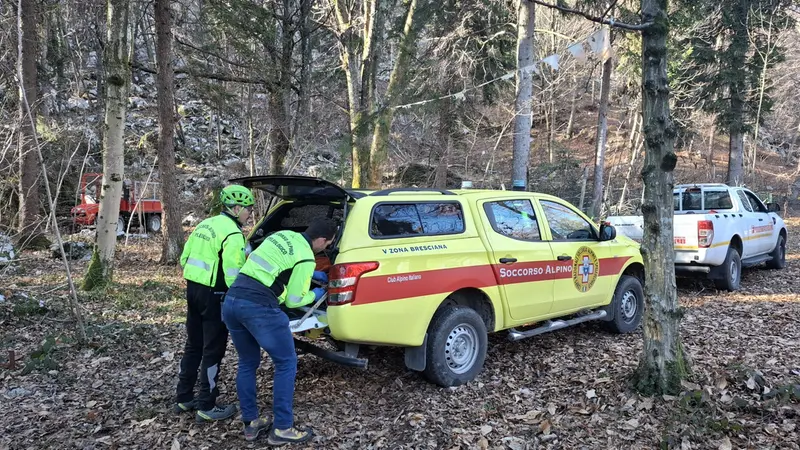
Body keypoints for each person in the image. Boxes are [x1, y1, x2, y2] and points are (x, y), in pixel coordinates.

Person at [222, 218, 338, 444]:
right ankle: (283, 428)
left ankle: (251, 423)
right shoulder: (306, 256)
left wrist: (309, 276)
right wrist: (317, 294)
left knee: (247, 363)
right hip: (258, 308)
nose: (326, 249)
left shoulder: (281, 235)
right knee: (286, 362)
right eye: (328, 244)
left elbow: (275, 269)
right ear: (322, 240)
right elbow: (295, 301)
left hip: (233, 301)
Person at [173, 184, 255, 423]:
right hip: (216, 295)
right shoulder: (233, 233)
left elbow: (184, 258)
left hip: (193, 290)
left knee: (193, 345)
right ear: (236, 207)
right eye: (248, 208)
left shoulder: (204, 224)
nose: (249, 213)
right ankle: (206, 405)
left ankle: (184, 397)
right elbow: (233, 274)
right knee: (213, 350)